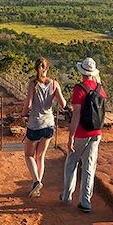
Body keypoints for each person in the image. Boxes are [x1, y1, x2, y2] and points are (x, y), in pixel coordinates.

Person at [62, 57, 107, 213]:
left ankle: (67, 195)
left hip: (82, 132)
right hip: (96, 132)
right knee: (89, 167)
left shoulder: (79, 89)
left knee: (71, 163)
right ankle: (85, 201)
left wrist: (71, 137)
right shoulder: (100, 88)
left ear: (81, 72)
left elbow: (76, 115)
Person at [22, 57, 67, 198]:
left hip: (35, 124)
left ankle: (36, 182)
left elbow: (28, 105)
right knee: (40, 156)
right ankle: (38, 186)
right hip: (49, 124)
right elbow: (63, 104)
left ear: (36, 69)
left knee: (29, 155)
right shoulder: (54, 84)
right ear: (47, 69)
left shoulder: (33, 84)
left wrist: (23, 113)